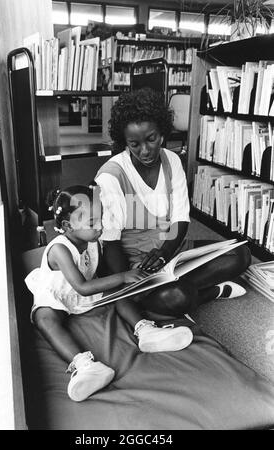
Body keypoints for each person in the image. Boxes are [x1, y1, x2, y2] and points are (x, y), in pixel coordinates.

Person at [25, 185, 193, 402]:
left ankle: (146, 331)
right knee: (44, 318)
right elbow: (82, 287)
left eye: (101, 219)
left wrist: (125, 284)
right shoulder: (60, 249)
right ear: (68, 226)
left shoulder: (93, 241)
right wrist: (123, 276)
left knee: (116, 292)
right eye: (92, 222)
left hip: (83, 291)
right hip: (59, 294)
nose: (100, 227)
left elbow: (97, 274)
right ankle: (85, 366)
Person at [95, 88, 251, 318]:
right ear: (124, 141)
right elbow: (110, 243)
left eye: (151, 139)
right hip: (137, 265)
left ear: (162, 132)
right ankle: (206, 292)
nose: (145, 150)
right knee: (178, 296)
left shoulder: (172, 161)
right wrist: (129, 284)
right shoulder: (111, 176)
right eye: (134, 144)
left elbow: (180, 218)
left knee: (241, 254)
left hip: (172, 250)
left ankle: (171, 290)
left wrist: (164, 253)